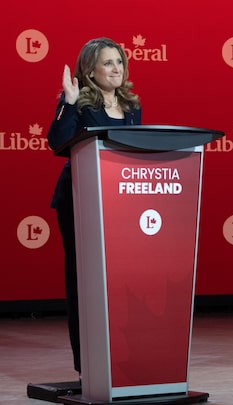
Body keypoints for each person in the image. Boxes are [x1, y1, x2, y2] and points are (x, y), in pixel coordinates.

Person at [47, 37, 142, 374]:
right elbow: (58, 142)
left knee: (121, 280)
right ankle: (87, 364)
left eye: (119, 62)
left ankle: (121, 356)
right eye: (108, 62)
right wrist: (68, 102)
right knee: (84, 281)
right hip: (81, 199)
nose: (117, 69)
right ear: (90, 70)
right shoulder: (79, 103)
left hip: (121, 201)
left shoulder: (132, 107)